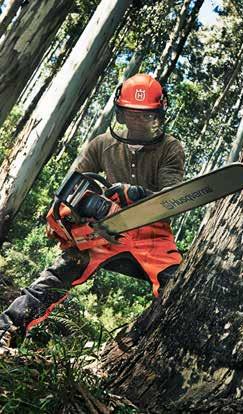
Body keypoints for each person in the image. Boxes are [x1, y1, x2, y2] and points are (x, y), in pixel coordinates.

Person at [0, 74, 185, 349]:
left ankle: (166, 349)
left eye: (145, 115)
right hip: (106, 228)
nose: (137, 120)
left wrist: (136, 195)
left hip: (151, 231)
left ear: (157, 115)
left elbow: (172, 198)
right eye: (131, 114)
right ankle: (8, 327)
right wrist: (76, 214)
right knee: (59, 273)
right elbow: (73, 184)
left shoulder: (170, 147)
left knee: (177, 283)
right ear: (120, 113)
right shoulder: (101, 144)